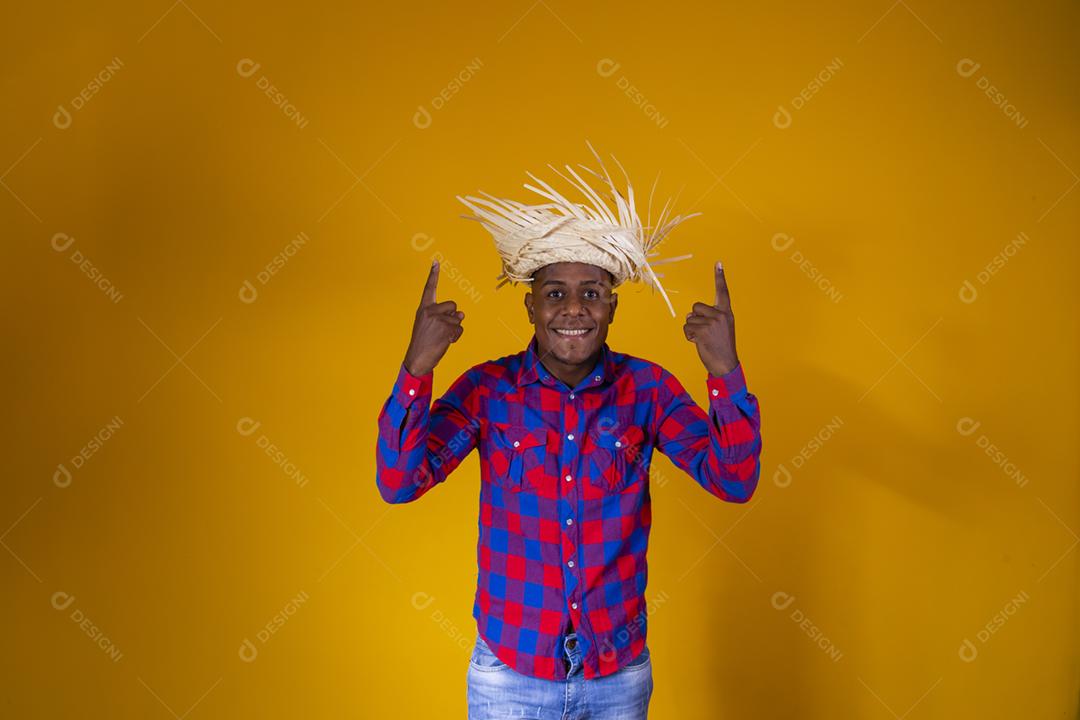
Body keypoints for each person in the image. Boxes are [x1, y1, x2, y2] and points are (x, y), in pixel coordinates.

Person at [375, 144, 762, 719]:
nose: (574, 309)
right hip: (510, 674)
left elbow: (734, 480)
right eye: (555, 293)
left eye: (592, 293)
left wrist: (725, 372)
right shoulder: (488, 390)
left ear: (612, 308)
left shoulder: (648, 390)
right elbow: (399, 483)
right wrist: (417, 370)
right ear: (530, 306)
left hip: (617, 675)